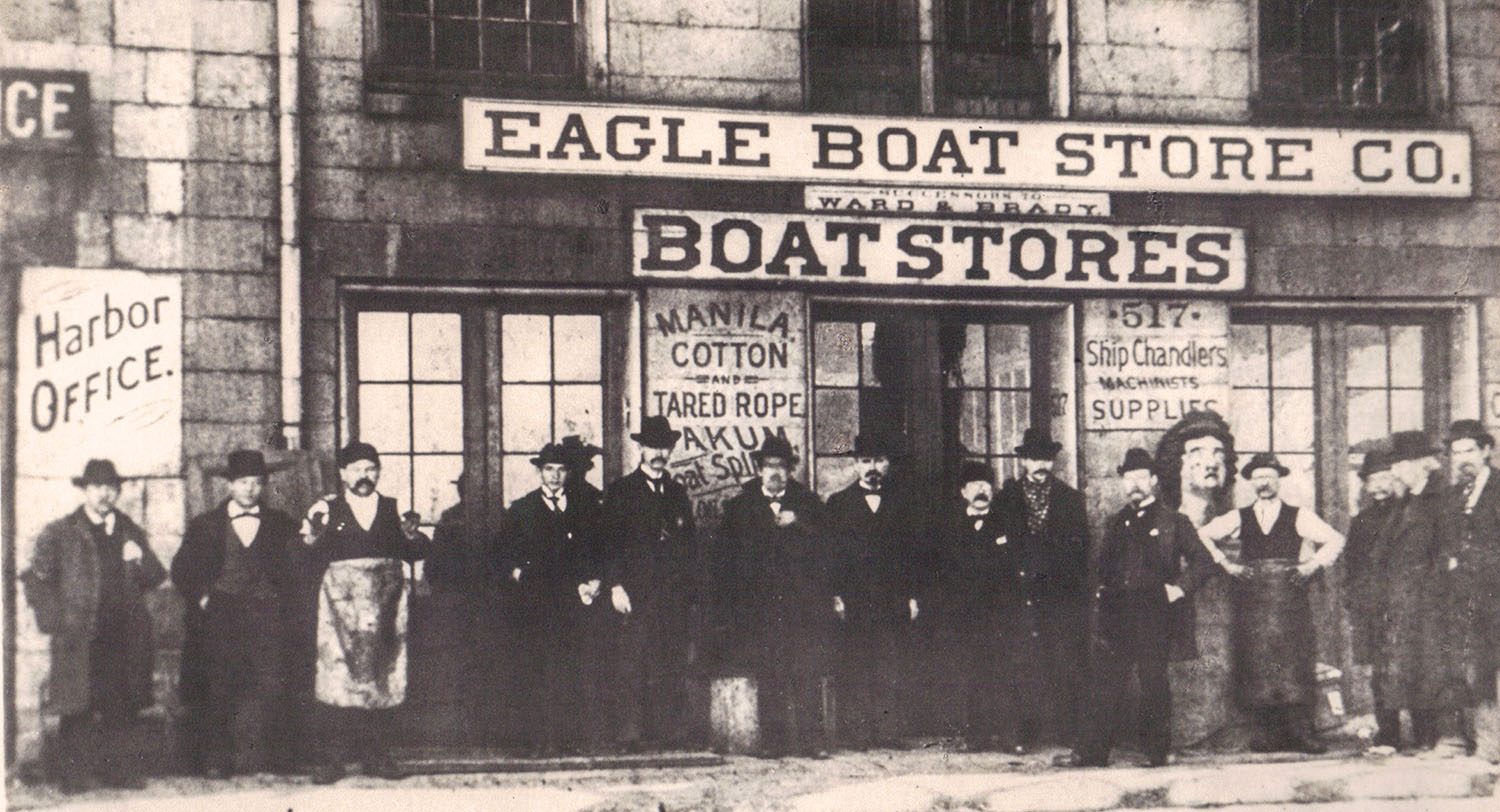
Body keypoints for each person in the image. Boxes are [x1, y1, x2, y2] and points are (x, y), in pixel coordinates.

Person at [21, 459, 167, 792]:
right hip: (80, 633)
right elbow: (36, 579)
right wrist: (56, 620)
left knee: (121, 703)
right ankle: (73, 776)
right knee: (77, 706)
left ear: (118, 491)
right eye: (97, 487)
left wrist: (138, 559)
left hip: (123, 631)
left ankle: (119, 772)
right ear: (85, 490)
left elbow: (156, 576)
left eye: (111, 488)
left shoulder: (129, 529)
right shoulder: (61, 532)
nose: (104, 494)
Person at [1070, 449, 1214, 767]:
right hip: (1117, 612)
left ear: (1153, 481)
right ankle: (1094, 753)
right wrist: (1101, 596)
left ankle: (1156, 752)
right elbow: (1102, 568)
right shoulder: (1117, 521)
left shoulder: (1173, 522)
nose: (1133, 485)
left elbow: (1204, 561)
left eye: (1140, 478)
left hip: (1154, 611)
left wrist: (1178, 588)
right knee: (1107, 681)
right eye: (1128, 478)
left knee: (1153, 680)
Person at [1198, 452, 1346, 754]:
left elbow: (1335, 539)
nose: (1264, 483)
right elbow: (1201, 536)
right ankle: (1268, 734)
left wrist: (1312, 565)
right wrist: (1227, 564)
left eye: (1269, 476)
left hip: (1290, 602)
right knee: (1257, 665)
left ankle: (1302, 733)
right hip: (1253, 604)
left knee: (1294, 663)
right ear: (1251, 482)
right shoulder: (1240, 516)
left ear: (1279, 480)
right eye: (1258, 477)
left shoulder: (1298, 515)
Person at [301, 441, 431, 782]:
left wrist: (413, 537)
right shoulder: (327, 509)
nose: (364, 476)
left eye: (370, 469)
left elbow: (415, 551)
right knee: (338, 675)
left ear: (378, 473)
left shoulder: (393, 509)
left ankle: (379, 757)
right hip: (339, 609)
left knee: (381, 675)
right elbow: (302, 553)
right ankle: (332, 760)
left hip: (383, 607)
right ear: (343, 473)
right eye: (357, 469)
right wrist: (312, 536)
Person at [171, 450, 298, 777]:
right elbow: (181, 569)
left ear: (264, 485)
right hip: (222, 615)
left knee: (273, 684)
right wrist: (201, 596)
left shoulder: (281, 525)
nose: (250, 489)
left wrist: (282, 600)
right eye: (243, 482)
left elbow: (297, 569)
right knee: (218, 686)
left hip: (267, 614)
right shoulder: (205, 526)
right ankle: (216, 759)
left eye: (257, 482)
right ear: (229, 484)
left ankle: (276, 757)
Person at [719, 436, 836, 758]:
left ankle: (812, 742)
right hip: (761, 606)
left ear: (790, 470)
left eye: (782, 466)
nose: (776, 473)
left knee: (806, 671)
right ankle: (773, 742)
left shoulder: (808, 504)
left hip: (802, 605)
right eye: (769, 466)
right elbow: (726, 560)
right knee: (769, 673)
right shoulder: (739, 506)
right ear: (758, 469)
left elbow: (829, 548)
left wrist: (798, 523)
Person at [498, 441, 606, 755]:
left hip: (573, 604)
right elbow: (502, 556)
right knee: (534, 670)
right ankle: (535, 741)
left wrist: (596, 580)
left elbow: (599, 550)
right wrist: (519, 575)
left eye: (561, 470)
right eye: (549, 470)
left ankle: (566, 740)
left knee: (569, 669)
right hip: (534, 605)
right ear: (539, 472)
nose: (555, 476)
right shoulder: (522, 509)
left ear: (568, 473)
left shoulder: (585, 508)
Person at [600, 416, 698, 750]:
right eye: (652, 447)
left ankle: (666, 732)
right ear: (641, 449)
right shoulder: (621, 492)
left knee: (668, 661)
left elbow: (689, 545)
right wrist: (615, 586)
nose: (659, 453)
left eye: (664, 447)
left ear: (671, 449)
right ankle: (630, 733)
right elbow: (608, 544)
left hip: (671, 596)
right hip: (635, 594)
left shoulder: (677, 492)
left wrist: (688, 592)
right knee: (632, 663)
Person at [824, 433, 924, 749]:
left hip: (891, 597)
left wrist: (912, 596)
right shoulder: (838, 504)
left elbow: (913, 553)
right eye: (866, 461)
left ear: (888, 464)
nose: (873, 468)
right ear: (855, 465)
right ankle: (857, 732)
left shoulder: (905, 503)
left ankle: (888, 730)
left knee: (889, 663)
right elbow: (830, 556)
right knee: (855, 663)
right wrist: (835, 595)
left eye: (879, 461)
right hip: (854, 599)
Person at [993, 427, 1090, 748]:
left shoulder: (1070, 500)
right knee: (1020, 664)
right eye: (1034, 458)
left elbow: (1081, 554)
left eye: (1046, 459)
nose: (1040, 466)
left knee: (1062, 662)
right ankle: (1022, 734)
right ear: (1023, 461)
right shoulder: (1005, 499)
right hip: (1018, 595)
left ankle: (1067, 732)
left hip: (1058, 596)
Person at [1359, 432, 1450, 751]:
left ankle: (1429, 738)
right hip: (1395, 602)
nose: (1395, 472)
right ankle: (1398, 737)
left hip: (1425, 602)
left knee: (1425, 670)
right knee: (1396, 669)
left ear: (1421, 465)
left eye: (1399, 465)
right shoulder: (1406, 501)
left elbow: (1445, 553)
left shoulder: (1440, 501)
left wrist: (1427, 591)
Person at [936, 459, 1029, 753]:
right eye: (975, 486)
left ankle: (1010, 736)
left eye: (986, 486)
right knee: (971, 675)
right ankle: (975, 736)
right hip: (965, 616)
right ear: (964, 492)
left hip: (1001, 615)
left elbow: (1019, 567)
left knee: (1005, 675)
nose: (981, 491)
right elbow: (941, 573)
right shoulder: (950, 527)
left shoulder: (1007, 524)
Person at [1340, 448, 1406, 749]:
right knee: (1380, 672)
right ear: (1365, 484)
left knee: (1410, 667)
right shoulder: (1361, 520)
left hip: (1404, 603)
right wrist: (1356, 600)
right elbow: (1352, 566)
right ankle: (1389, 733)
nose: (1379, 486)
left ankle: (1424, 734)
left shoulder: (1407, 513)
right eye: (1373, 480)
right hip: (1373, 606)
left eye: (1385, 478)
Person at [1442, 419, 1500, 756]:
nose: (1462, 459)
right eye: (1455, 453)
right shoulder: (1452, 496)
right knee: (1473, 667)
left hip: (1496, 592)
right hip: (1463, 598)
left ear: (1486, 451)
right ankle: (1486, 744)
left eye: (1468, 451)